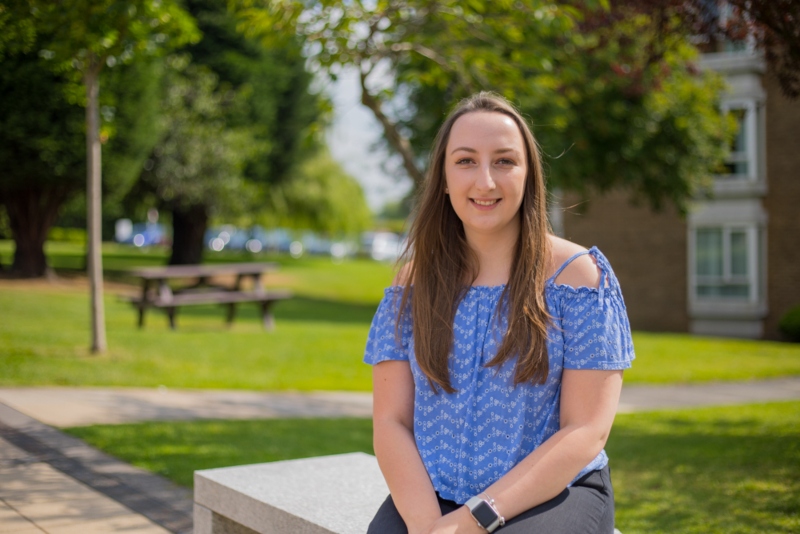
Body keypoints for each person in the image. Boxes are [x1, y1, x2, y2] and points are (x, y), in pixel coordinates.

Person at [363, 92, 634, 534]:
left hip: (552, 493)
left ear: (528, 175)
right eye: (466, 161)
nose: (485, 181)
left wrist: (472, 521)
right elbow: (391, 421)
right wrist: (427, 524)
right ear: (444, 179)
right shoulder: (411, 284)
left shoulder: (578, 279)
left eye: (505, 161)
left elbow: (586, 430)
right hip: (436, 492)